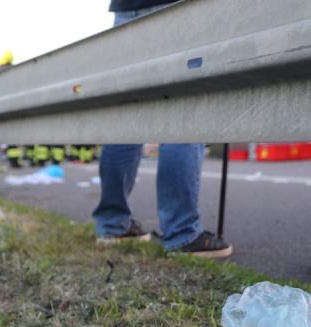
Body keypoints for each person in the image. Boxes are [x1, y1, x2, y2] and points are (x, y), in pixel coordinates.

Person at [92, 0, 233, 258]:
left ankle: (112, 225)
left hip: (127, 10)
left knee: (125, 118)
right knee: (183, 113)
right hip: (179, 8)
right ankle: (182, 233)